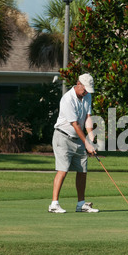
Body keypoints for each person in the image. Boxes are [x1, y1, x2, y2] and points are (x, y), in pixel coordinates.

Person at [48, 73, 99, 213]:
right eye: (85, 89)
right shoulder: (67, 99)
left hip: (78, 139)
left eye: (88, 90)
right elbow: (75, 124)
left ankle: (81, 204)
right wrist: (87, 143)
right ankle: (54, 204)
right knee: (63, 170)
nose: (87, 92)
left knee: (82, 170)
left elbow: (88, 117)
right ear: (78, 84)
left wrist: (91, 136)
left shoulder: (87, 96)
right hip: (62, 137)